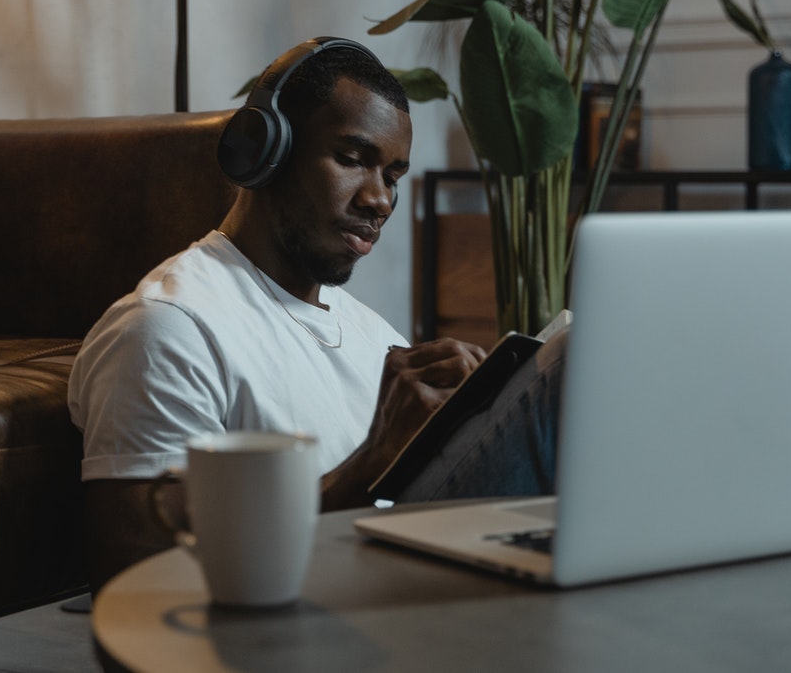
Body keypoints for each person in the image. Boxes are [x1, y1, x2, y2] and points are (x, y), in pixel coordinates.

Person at [68, 38, 563, 594]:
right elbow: (142, 584)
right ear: (264, 151)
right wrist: (376, 457)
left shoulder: (376, 335)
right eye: (353, 160)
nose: (379, 200)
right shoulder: (167, 328)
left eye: (393, 177)